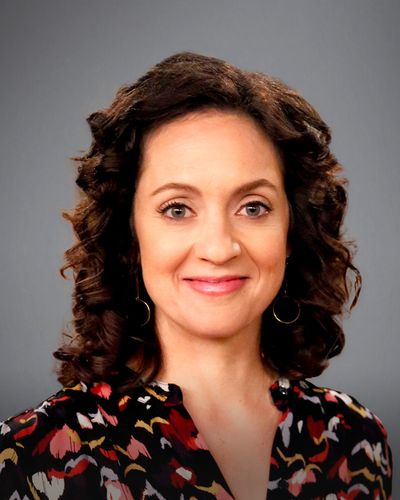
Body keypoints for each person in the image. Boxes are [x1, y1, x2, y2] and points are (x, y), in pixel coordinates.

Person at [0, 52, 392, 499]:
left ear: (291, 230)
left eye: (253, 207)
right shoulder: (30, 457)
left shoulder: (355, 442)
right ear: (130, 234)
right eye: (177, 209)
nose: (219, 248)